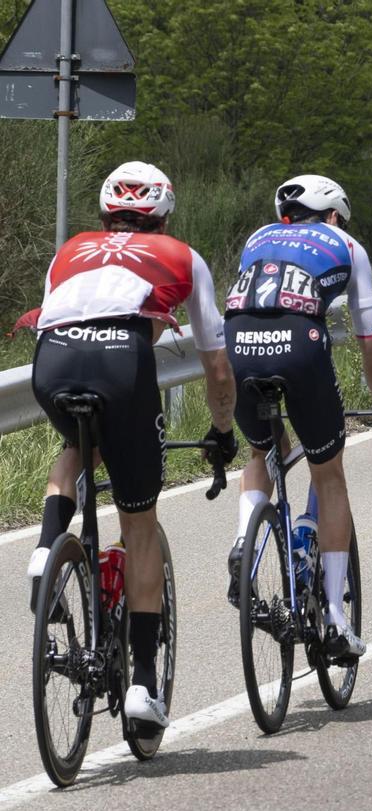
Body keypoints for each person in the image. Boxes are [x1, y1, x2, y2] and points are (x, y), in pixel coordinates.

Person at [19, 161, 237, 730]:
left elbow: (57, 317)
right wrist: (221, 429)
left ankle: (46, 548)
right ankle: (143, 685)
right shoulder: (181, 255)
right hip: (122, 361)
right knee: (139, 524)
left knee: (76, 441)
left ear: (104, 213)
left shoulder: (69, 250)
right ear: (163, 215)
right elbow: (216, 366)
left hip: (54, 359)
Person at [224, 174, 372, 659]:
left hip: (237, 344)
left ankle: (245, 540)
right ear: (333, 215)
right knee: (330, 474)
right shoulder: (346, 244)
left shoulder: (258, 239)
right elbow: (371, 343)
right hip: (299, 345)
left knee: (263, 446)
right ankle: (337, 620)